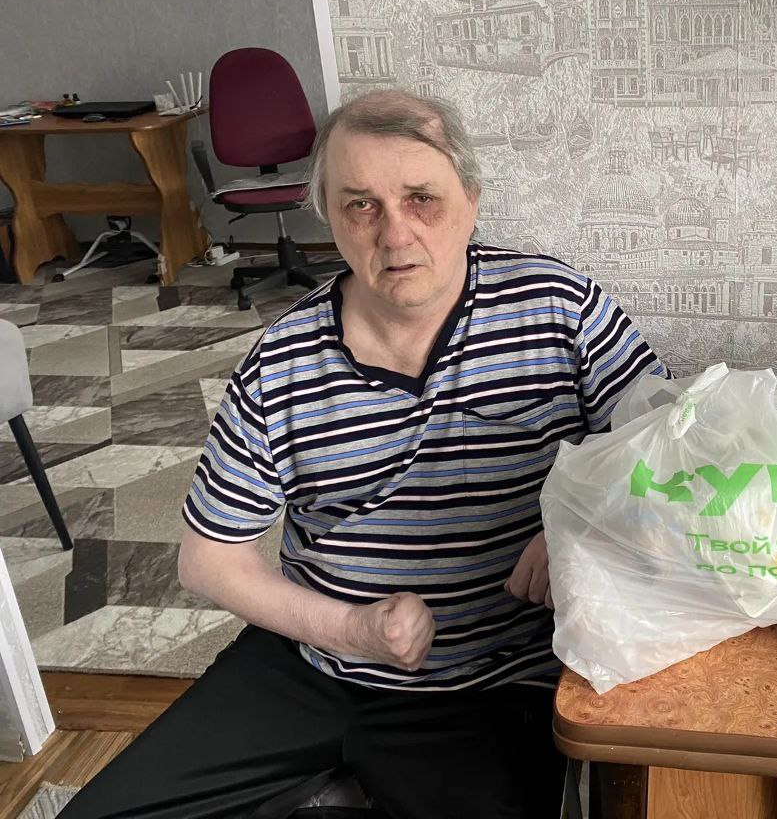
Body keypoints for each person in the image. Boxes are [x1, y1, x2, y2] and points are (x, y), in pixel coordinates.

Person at [63, 90, 667, 819]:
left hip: (494, 681)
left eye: (422, 199)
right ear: (328, 215)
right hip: (311, 665)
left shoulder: (559, 309)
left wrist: (576, 523)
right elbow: (208, 560)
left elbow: (672, 445)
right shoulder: (279, 363)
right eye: (361, 206)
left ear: (471, 201)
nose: (396, 234)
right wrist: (352, 631)